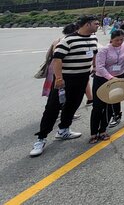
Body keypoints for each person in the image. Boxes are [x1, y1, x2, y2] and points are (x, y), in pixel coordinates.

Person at [30, 15, 99, 157]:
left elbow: (94, 54)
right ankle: (41, 138)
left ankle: (63, 130)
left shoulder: (94, 39)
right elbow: (57, 60)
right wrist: (59, 78)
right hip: (66, 79)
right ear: (87, 24)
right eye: (96, 23)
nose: (98, 25)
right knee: (52, 108)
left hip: (82, 78)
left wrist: (95, 66)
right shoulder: (68, 40)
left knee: (72, 105)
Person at [90, 30, 124, 143]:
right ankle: (93, 132)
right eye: (117, 40)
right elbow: (100, 67)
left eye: (122, 39)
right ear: (111, 39)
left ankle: (103, 130)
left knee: (109, 105)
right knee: (98, 106)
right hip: (102, 79)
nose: (119, 42)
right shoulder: (104, 50)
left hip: (118, 78)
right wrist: (110, 78)